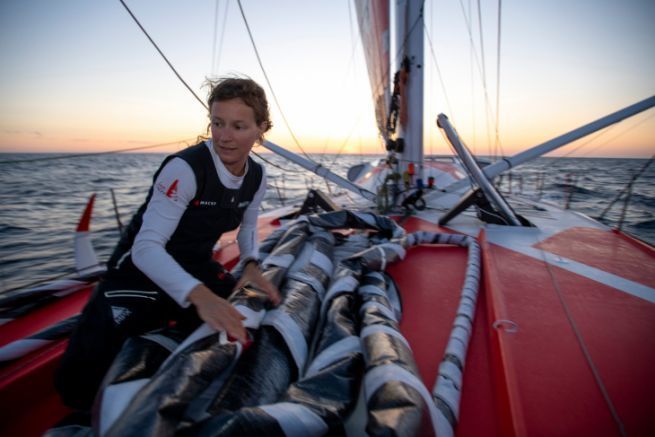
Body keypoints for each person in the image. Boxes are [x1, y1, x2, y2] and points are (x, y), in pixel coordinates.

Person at [55, 77, 280, 411]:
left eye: (238, 126)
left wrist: (250, 265)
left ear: (260, 129)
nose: (225, 136)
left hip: (192, 265)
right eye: (217, 123)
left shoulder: (256, 176)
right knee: (78, 383)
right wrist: (200, 296)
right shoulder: (185, 169)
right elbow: (146, 249)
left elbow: (248, 227)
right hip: (136, 275)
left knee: (246, 322)